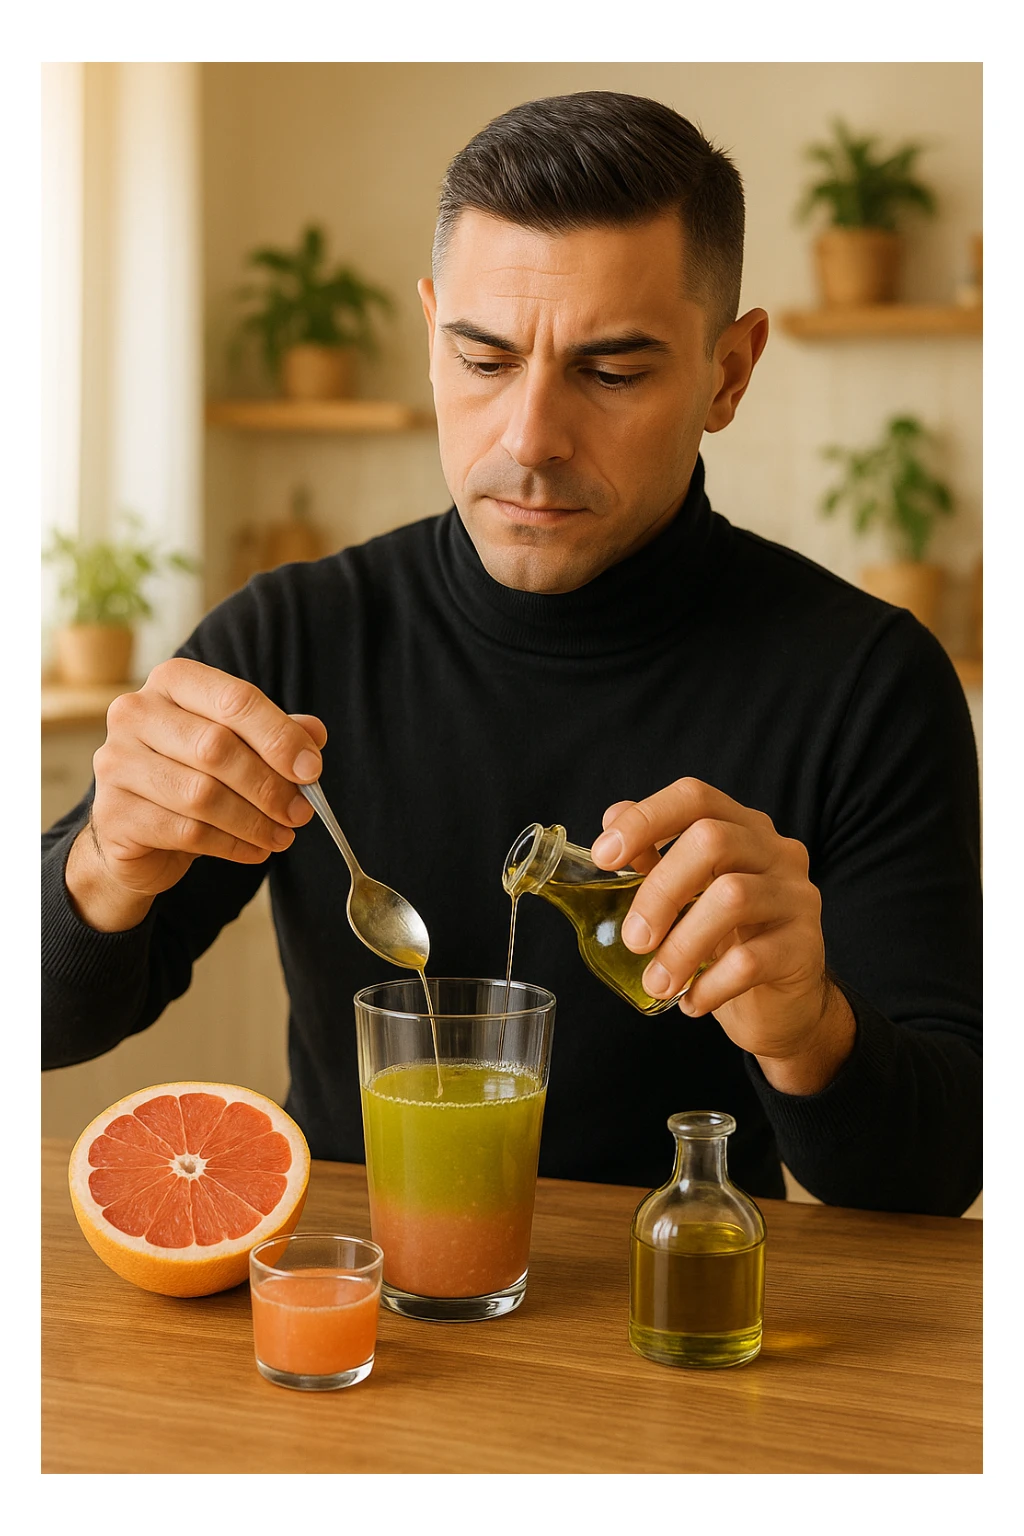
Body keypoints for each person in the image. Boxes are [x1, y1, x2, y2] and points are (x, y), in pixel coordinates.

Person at [41, 91, 981, 1214]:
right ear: (432, 331)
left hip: (678, 1297)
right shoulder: (292, 635)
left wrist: (809, 1030)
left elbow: (937, 1180)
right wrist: (103, 866)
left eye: (611, 373)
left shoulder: (867, 682)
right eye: (483, 360)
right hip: (349, 1295)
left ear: (728, 373)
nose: (530, 439)